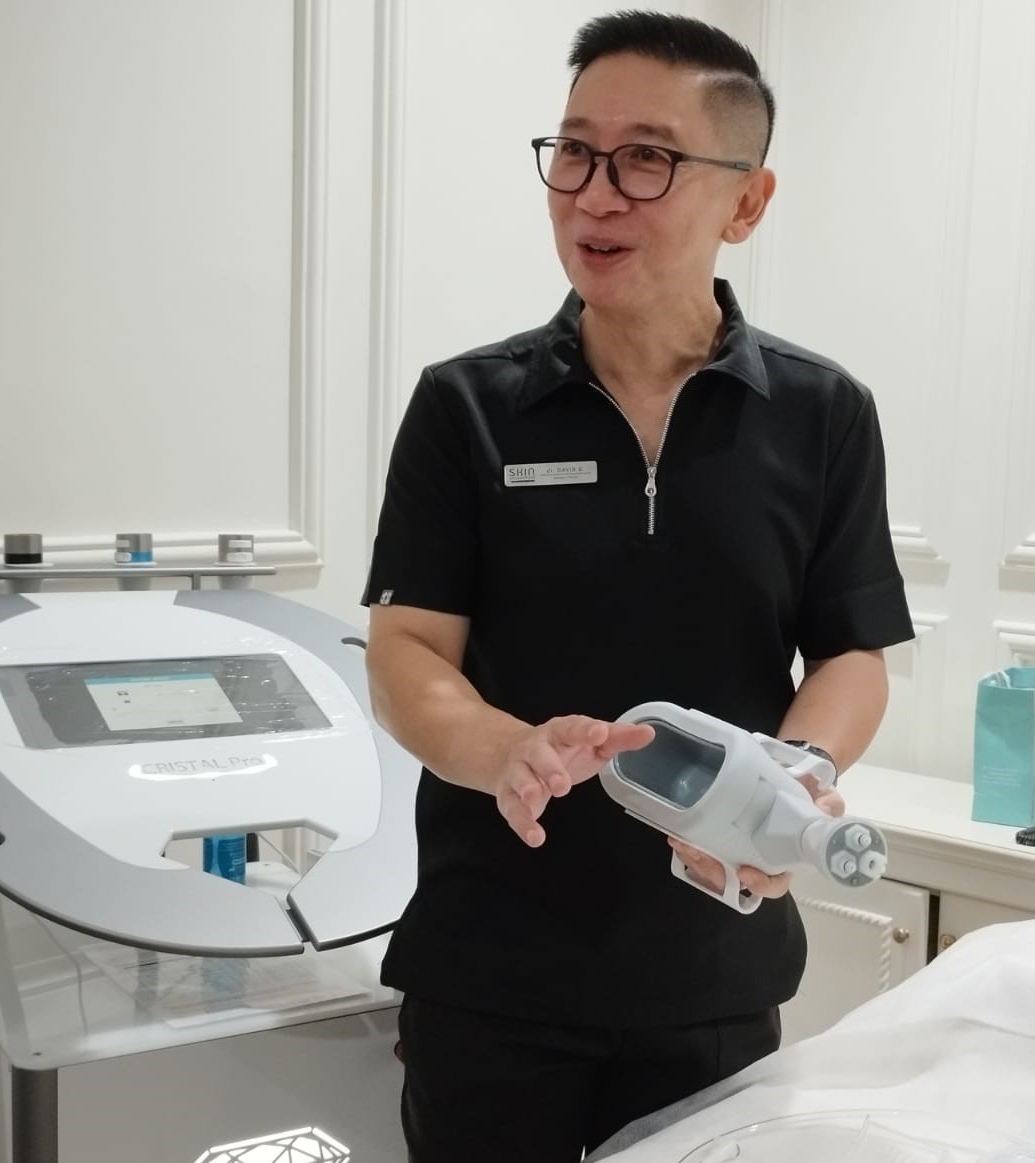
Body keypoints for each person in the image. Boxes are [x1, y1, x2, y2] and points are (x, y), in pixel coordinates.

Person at [363, 11, 914, 1161]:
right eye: (573, 152)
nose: (593, 195)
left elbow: (851, 651)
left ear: (745, 202)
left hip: (712, 972)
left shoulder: (821, 414)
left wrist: (798, 774)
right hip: (492, 967)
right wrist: (505, 749)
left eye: (645, 159)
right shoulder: (467, 406)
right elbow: (408, 649)